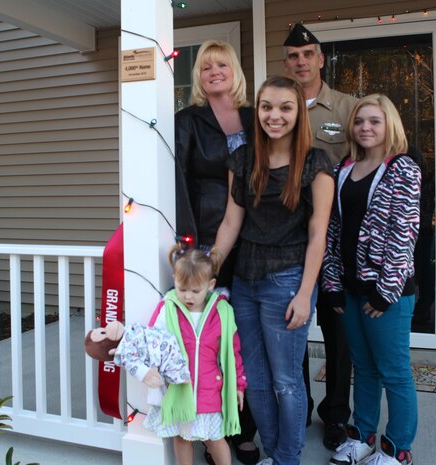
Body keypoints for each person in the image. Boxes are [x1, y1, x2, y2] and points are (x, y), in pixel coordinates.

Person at [213, 75, 334, 465]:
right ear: (258, 110)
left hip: (288, 280)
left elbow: (318, 235)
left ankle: (287, 458)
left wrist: (305, 294)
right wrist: (207, 267)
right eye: (266, 107)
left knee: (286, 381)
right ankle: (276, 452)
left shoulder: (316, 162)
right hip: (245, 282)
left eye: (285, 107)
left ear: (299, 113)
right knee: (258, 383)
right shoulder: (243, 159)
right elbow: (232, 223)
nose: (274, 115)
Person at [174, 39, 260, 464]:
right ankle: (215, 429)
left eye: (221, 64)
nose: (213, 72)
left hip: (258, 236)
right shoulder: (187, 120)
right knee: (214, 338)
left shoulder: (253, 116)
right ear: (198, 76)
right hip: (211, 237)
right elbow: (180, 181)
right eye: (206, 67)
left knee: (250, 333)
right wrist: (190, 242)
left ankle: (248, 426)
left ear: (234, 71)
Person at [323, 94, 420, 465]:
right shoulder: (344, 169)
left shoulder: (403, 169)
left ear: (388, 125)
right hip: (348, 287)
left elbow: (404, 232)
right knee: (362, 367)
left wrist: (384, 293)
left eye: (374, 121)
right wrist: (331, 283)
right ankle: (362, 436)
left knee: (393, 372)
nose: (365, 127)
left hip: (386, 294)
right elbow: (334, 230)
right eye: (360, 121)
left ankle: (397, 449)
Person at [283, 22, 359, 450]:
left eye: (307, 54)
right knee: (292, 328)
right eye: (293, 56)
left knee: (338, 331)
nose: (301, 62)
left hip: (337, 236)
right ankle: (301, 405)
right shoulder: (276, 105)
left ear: (320, 58)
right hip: (287, 234)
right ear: (286, 61)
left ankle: (336, 415)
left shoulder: (346, 108)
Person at [145, 243, 247, 465]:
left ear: (210, 285)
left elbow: (233, 353)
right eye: (182, 289)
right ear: (174, 280)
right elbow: (153, 341)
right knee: (182, 438)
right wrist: (150, 368)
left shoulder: (222, 313)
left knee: (215, 439)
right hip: (180, 389)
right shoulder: (168, 309)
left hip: (210, 389)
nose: (188, 296)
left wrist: (239, 385)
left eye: (195, 290)